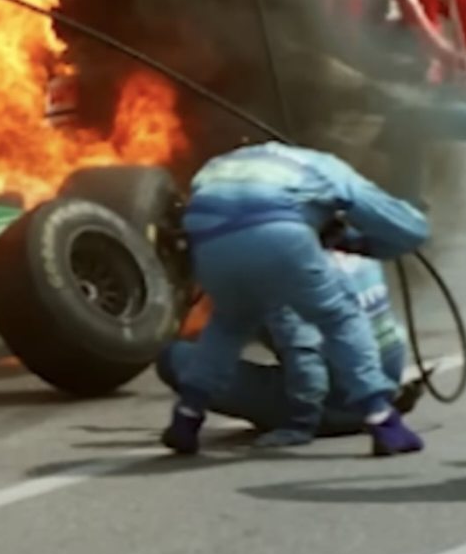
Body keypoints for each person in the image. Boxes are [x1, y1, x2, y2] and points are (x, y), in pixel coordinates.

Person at [160, 142, 428, 457]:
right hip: (276, 235)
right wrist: (362, 243)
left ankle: (186, 419)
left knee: (227, 324)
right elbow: (409, 229)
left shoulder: (224, 163)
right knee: (339, 319)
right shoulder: (328, 168)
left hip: (208, 238)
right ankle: (383, 422)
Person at [156, 249, 416, 446]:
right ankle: (377, 403)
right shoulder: (350, 235)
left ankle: (335, 415)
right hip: (384, 375)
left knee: (176, 359)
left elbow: (305, 353)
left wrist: (299, 424)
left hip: (336, 397)